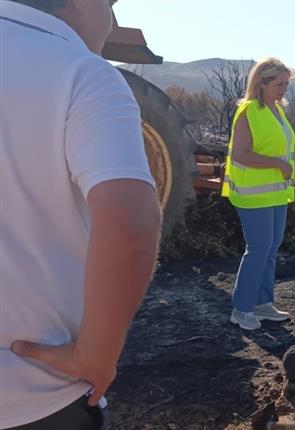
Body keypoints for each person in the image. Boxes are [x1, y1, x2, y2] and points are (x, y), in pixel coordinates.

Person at [0, 0, 162, 428]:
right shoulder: (80, 74)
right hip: (31, 398)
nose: (110, 24)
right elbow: (130, 223)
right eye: (110, 5)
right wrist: (96, 355)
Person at [222, 57, 295, 331]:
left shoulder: (277, 111)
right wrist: (278, 165)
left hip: (276, 193)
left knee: (270, 248)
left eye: (287, 84)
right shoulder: (248, 111)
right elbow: (242, 155)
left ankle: (263, 303)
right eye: (279, 84)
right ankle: (241, 309)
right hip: (253, 194)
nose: (284, 89)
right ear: (262, 83)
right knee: (257, 249)